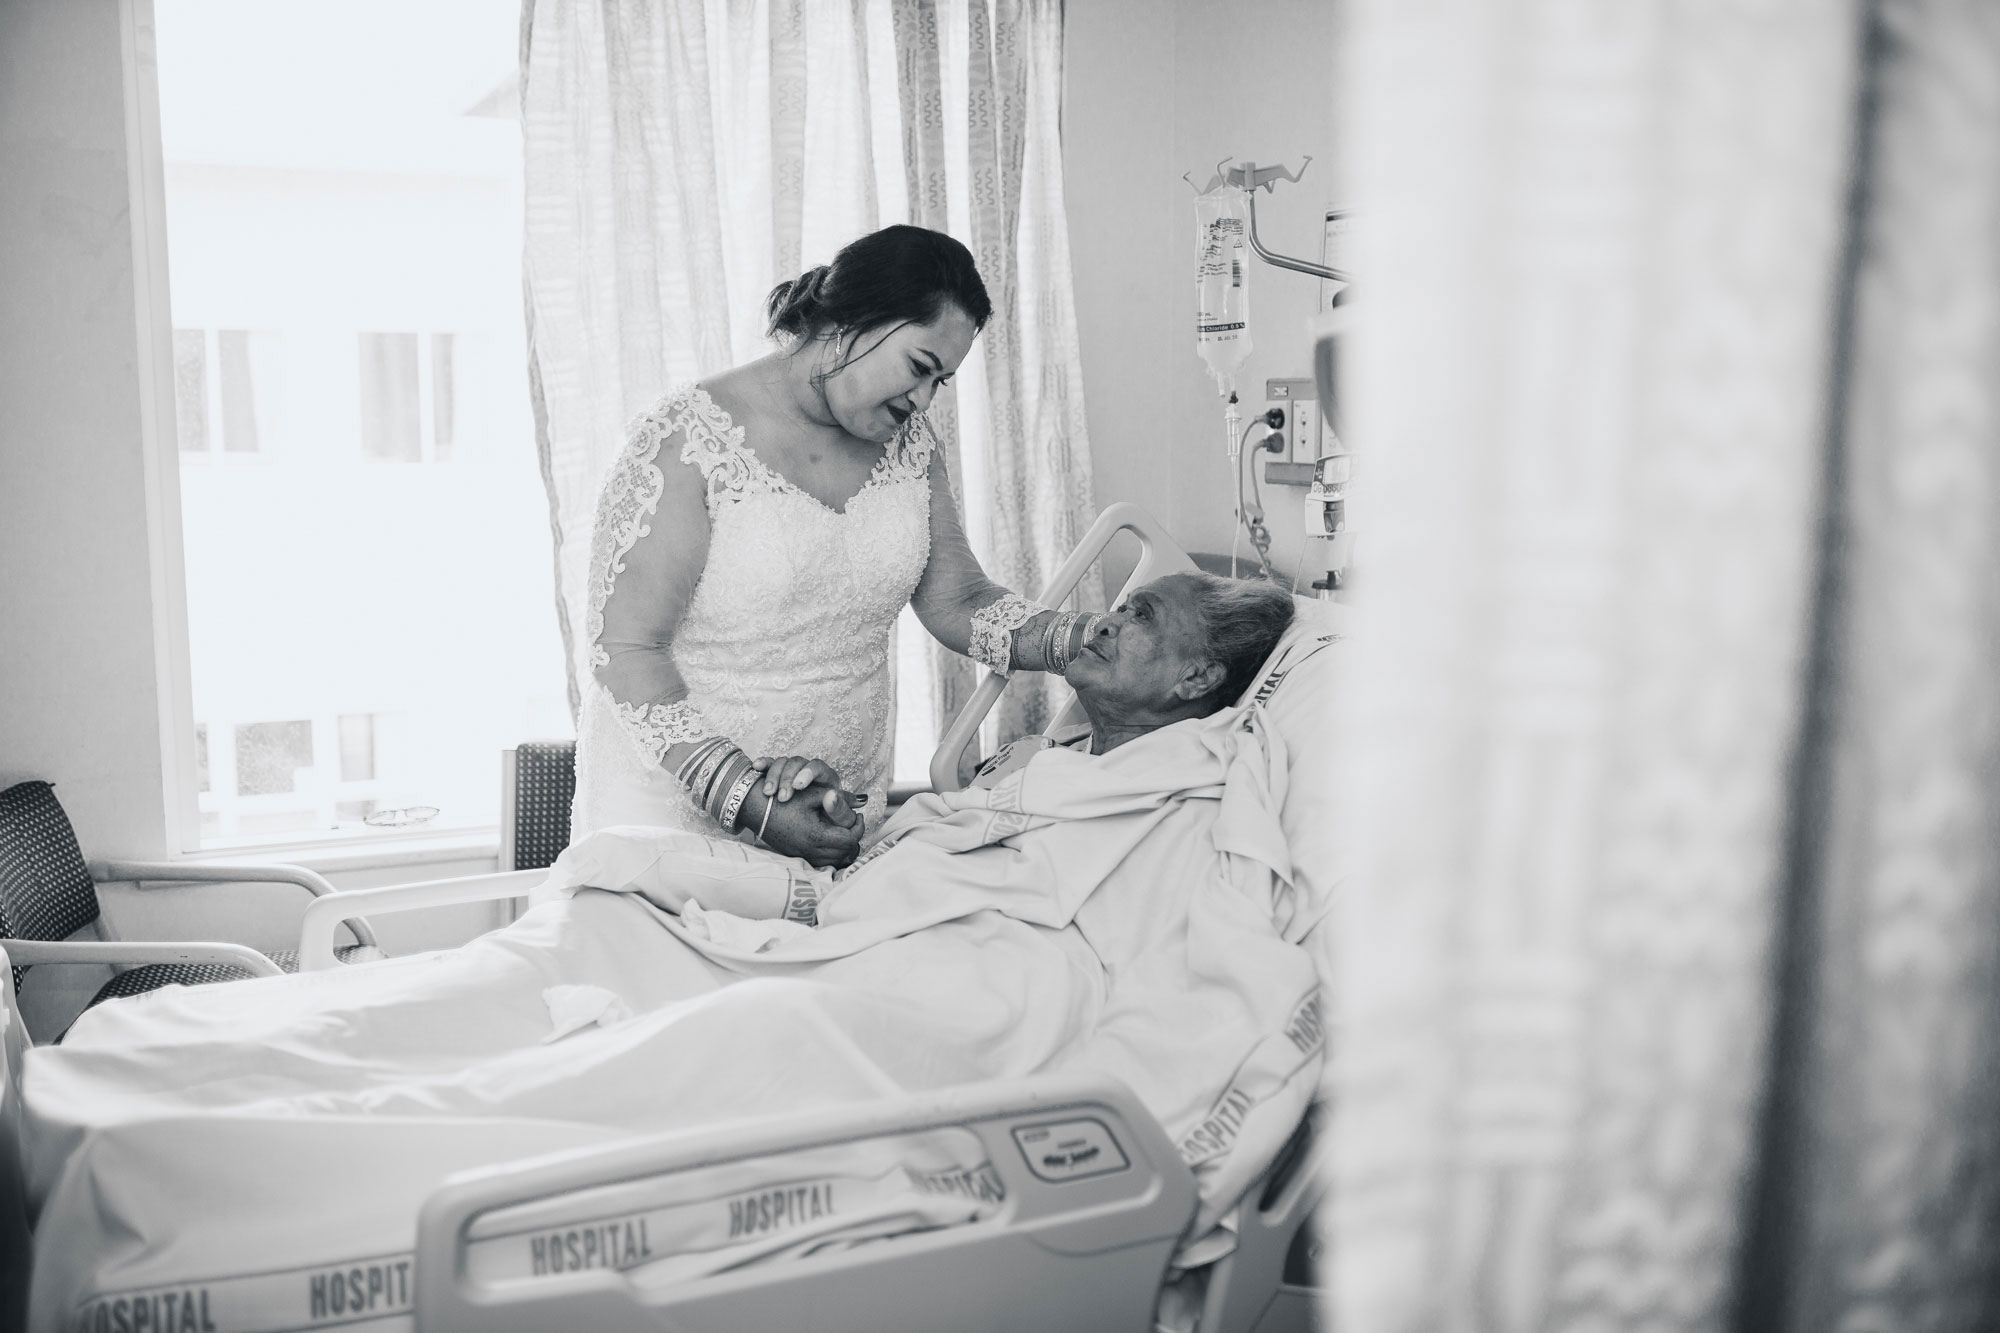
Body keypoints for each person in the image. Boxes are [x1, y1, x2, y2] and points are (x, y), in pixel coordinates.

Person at [575, 224, 1101, 868]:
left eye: (941, 382)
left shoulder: (911, 446)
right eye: (918, 368)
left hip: (835, 806)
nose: (923, 400)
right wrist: (743, 797)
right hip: (680, 804)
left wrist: (1084, 641)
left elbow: (958, 599)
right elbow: (625, 648)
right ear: (852, 318)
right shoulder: (688, 439)